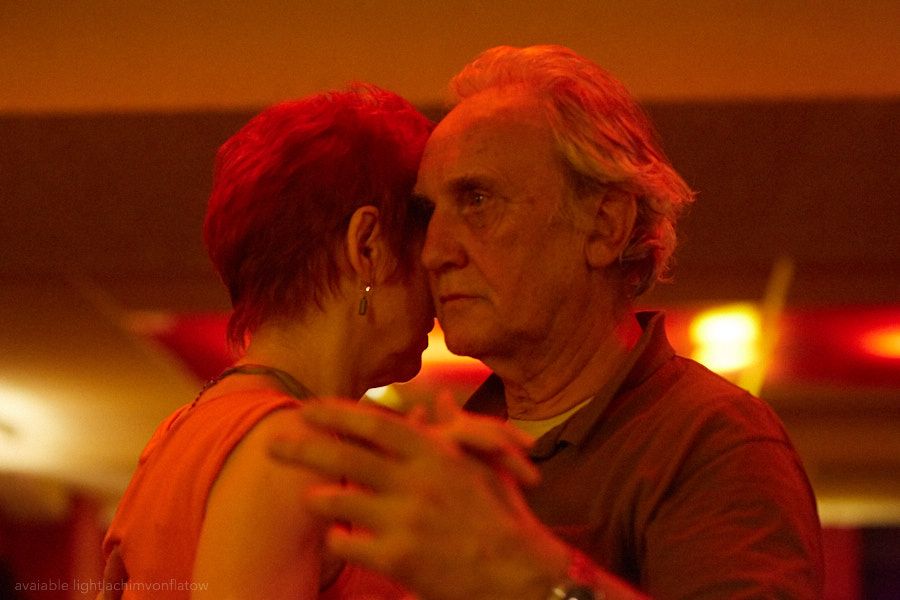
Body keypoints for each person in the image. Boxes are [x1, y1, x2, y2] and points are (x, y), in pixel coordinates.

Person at [270, 45, 825, 599]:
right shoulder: (452, 447)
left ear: (604, 226)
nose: (434, 252)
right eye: (427, 213)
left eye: (478, 200)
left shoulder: (712, 439)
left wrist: (535, 575)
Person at [100, 85, 537, 599]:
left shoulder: (182, 430)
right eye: (424, 236)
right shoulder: (290, 452)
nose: (438, 268)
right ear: (367, 246)